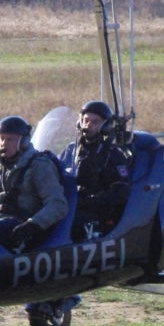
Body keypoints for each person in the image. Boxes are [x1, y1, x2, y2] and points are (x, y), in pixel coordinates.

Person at [0, 115, 67, 251]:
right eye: (1, 138)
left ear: (24, 141)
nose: (4, 143)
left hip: (21, 227)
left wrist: (32, 225)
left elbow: (58, 204)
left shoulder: (39, 165)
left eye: (10, 139)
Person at [63, 100, 131, 241]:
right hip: (70, 205)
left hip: (96, 213)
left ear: (105, 126)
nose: (88, 126)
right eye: (86, 120)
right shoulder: (71, 150)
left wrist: (91, 201)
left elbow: (121, 192)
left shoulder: (113, 155)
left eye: (95, 122)